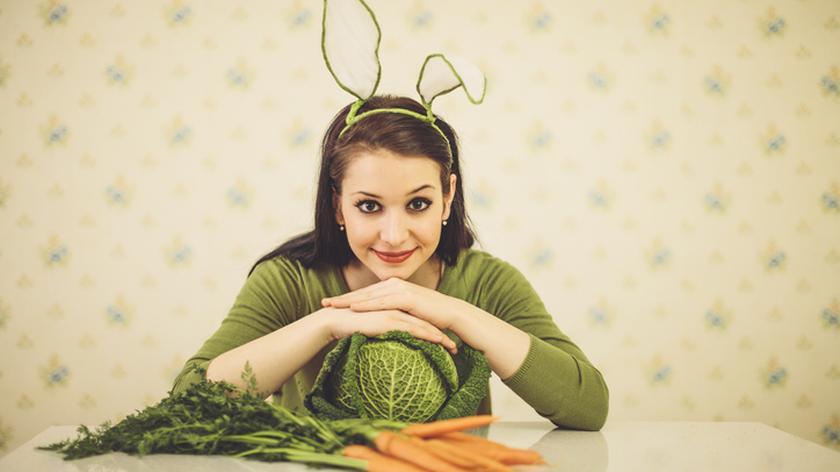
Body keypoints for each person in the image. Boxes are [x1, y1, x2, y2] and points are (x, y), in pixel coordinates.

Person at [172, 95, 609, 431]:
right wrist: (328, 324)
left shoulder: (487, 283)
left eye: (418, 203)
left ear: (448, 197)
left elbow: (588, 406)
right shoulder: (287, 281)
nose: (395, 234)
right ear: (338, 206)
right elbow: (187, 404)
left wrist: (456, 312)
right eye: (369, 206)